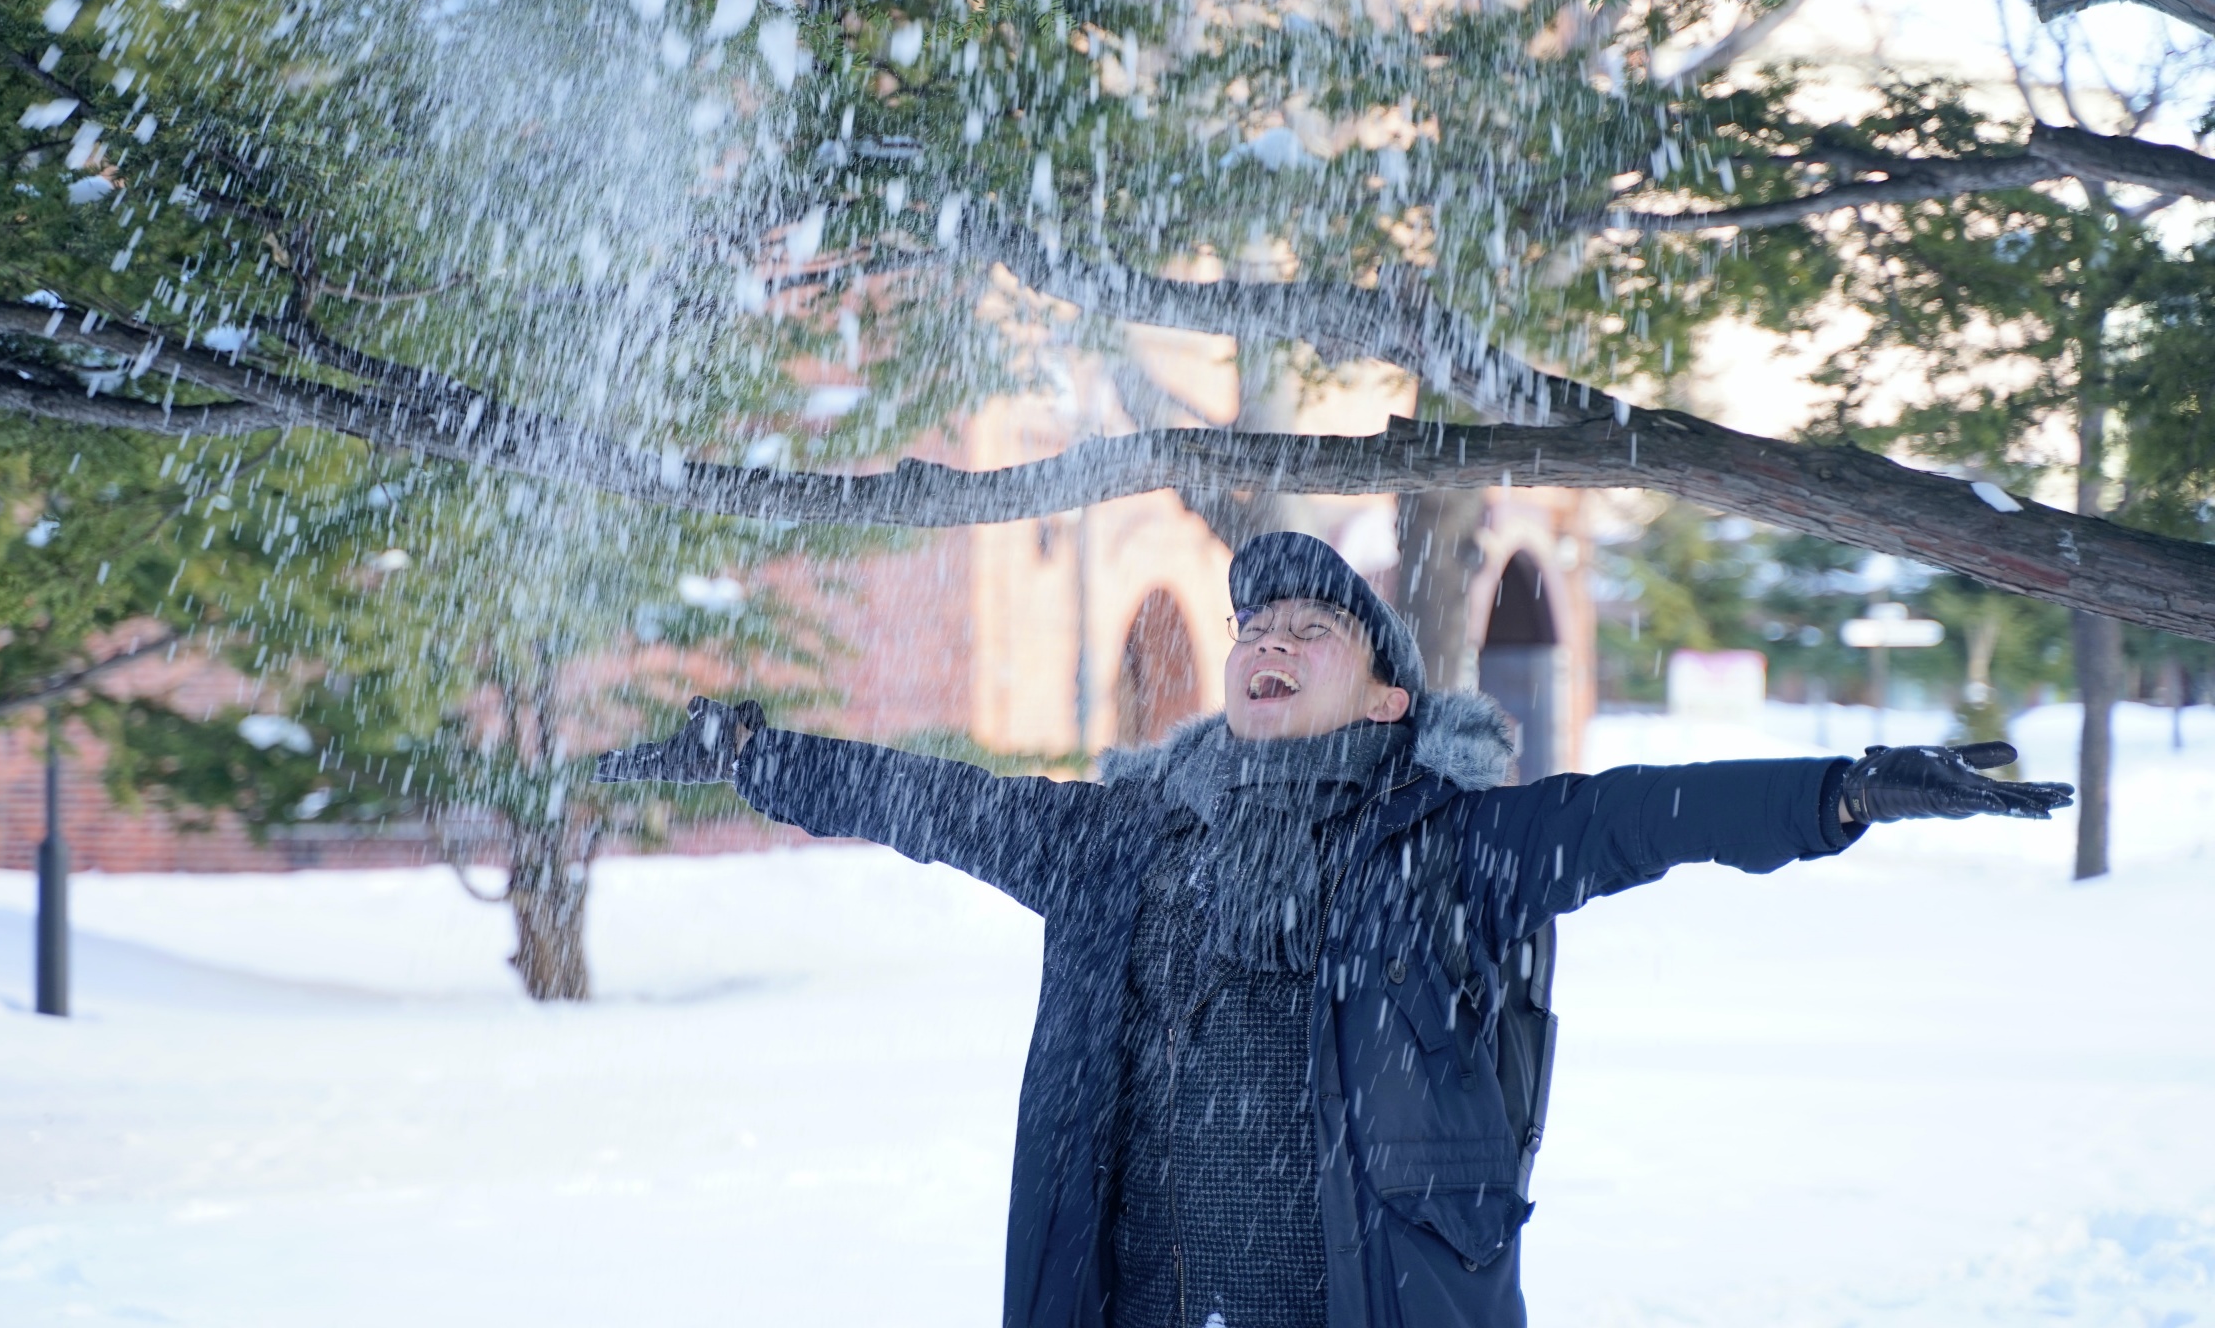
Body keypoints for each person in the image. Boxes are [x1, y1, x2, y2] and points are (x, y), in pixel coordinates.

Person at [594, 531, 2071, 1328]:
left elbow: (1639, 816)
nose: (1268, 640)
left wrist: (1839, 791)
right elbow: (935, 802)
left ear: (1386, 696)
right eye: (1254, 628)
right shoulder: (1118, 841)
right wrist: (759, 759)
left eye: (1312, 630)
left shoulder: (1447, 848)